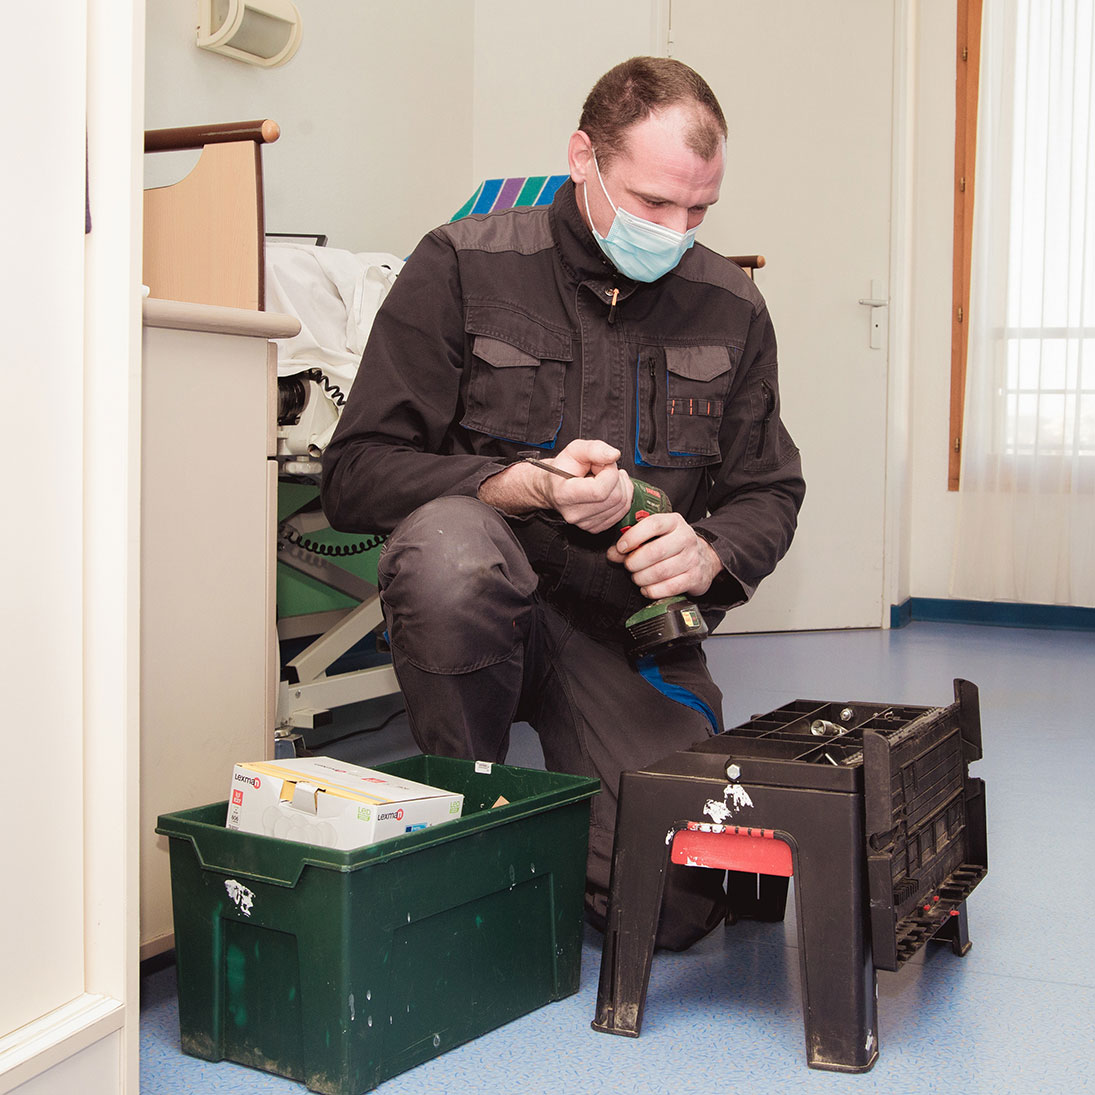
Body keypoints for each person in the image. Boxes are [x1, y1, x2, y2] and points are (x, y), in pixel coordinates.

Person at [321, 56, 805, 950]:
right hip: (479, 602)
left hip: (623, 632)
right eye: (653, 203)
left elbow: (767, 487)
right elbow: (354, 473)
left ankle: (571, 823)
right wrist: (516, 485)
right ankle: (466, 818)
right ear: (582, 155)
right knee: (454, 556)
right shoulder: (461, 264)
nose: (675, 229)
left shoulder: (729, 305)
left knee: (678, 903)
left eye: (698, 210)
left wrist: (708, 553)